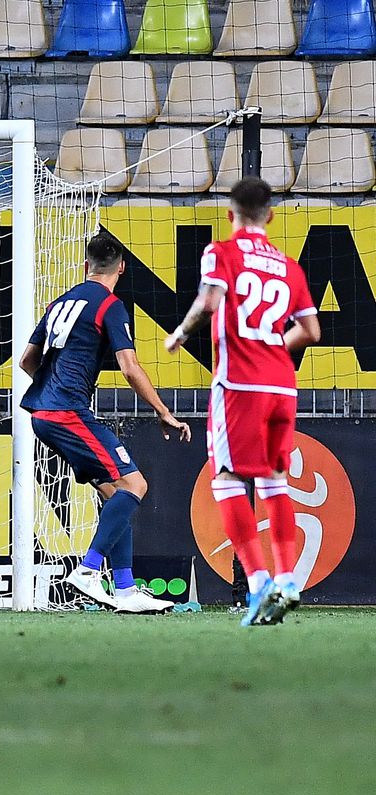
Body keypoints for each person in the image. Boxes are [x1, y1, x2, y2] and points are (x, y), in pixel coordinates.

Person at [165, 176, 320, 627]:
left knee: (226, 478)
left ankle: (257, 583)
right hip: (283, 385)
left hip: (240, 384)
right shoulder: (290, 267)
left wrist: (180, 332)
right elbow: (311, 331)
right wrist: (274, 344)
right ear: (270, 216)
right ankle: (288, 579)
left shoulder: (222, 252)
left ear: (230, 214)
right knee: (274, 479)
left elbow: (210, 301)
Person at [21, 232, 191, 614]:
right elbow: (130, 368)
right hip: (67, 413)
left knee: (116, 495)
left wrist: (52, 393)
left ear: (86, 266)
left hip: (44, 414)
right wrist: (163, 412)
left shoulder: (59, 303)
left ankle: (126, 589)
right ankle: (88, 570)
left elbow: (27, 361)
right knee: (136, 484)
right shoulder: (110, 306)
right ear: (122, 268)